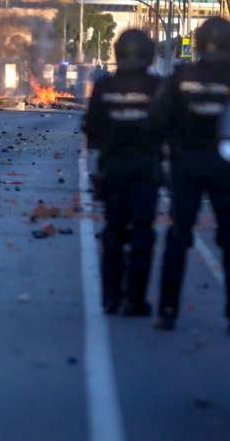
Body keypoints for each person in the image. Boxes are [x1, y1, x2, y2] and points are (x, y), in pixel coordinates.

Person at [153, 17, 230, 333]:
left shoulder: (181, 77)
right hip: (227, 166)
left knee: (178, 235)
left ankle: (168, 311)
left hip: (185, 165)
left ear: (198, 43)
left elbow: (157, 118)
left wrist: (165, 152)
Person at [83, 30, 163, 316]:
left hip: (113, 168)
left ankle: (110, 296)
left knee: (113, 232)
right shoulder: (158, 87)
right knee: (143, 232)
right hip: (146, 169)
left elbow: (91, 128)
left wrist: (95, 167)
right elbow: (170, 127)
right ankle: (136, 299)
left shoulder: (105, 87)